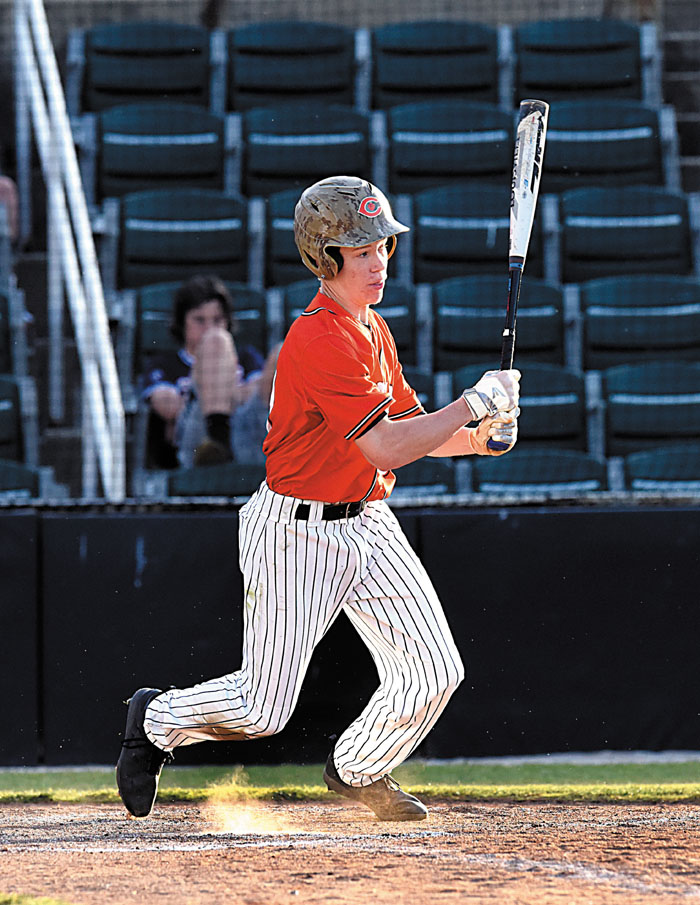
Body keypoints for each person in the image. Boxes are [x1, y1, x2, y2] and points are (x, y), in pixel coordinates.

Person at [117, 176, 520, 822]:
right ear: (325, 256)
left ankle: (359, 766)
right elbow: (387, 447)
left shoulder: (373, 329)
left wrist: (478, 439)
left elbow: (415, 428)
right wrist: (473, 400)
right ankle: (155, 718)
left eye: (382, 247)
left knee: (435, 668)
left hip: (367, 521)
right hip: (296, 530)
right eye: (362, 251)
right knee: (262, 706)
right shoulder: (320, 337)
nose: (379, 261)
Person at [140, 274, 279, 469]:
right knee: (216, 341)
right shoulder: (165, 363)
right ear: (182, 322)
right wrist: (216, 388)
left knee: (285, 351)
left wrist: (220, 392)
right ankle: (217, 442)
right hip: (197, 439)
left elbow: (259, 394)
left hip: (247, 434)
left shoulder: (246, 356)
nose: (209, 327)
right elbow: (167, 407)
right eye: (199, 320)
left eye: (217, 319)